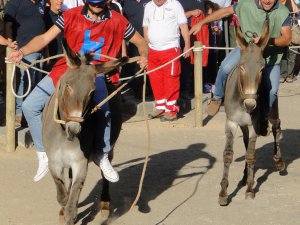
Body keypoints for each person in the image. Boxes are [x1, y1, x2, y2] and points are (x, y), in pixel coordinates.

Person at [8, 0, 148, 182]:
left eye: (100, 3)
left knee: (105, 110)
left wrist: (144, 55)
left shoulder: (118, 20)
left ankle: (102, 154)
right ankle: (43, 153)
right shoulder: (69, 16)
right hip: (66, 70)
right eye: (93, 3)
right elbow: (43, 39)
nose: (97, 7)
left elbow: (141, 42)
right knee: (29, 106)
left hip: (95, 73)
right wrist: (23, 51)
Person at [190, 0, 292, 118]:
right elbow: (223, 12)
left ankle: (264, 115)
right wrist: (201, 23)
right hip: (246, 49)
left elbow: (287, 39)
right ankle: (217, 98)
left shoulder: (283, 11)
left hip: (270, 56)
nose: (268, 1)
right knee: (224, 67)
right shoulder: (245, 4)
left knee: (273, 90)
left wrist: (266, 40)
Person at [143, 0, 190, 121]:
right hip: (152, 50)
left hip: (170, 49)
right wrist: (145, 48)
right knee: (155, 78)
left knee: (171, 78)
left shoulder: (175, 4)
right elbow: (145, 27)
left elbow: (183, 25)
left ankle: (171, 109)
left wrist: (187, 45)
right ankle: (160, 106)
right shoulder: (148, 6)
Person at [4, 0, 45, 126]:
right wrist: (10, 44)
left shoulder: (39, 5)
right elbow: (8, 24)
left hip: (41, 50)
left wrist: (47, 52)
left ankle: (33, 111)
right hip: (24, 49)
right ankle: (19, 113)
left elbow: (42, 30)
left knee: (38, 81)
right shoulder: (15, 2)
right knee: (26, 80)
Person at [43, 0, 64, 71]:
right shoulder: (45, 16)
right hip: (50, 57)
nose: (60, 1)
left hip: (62, 57)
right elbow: (43, 36)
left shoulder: (64, 16)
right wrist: (47, 54)